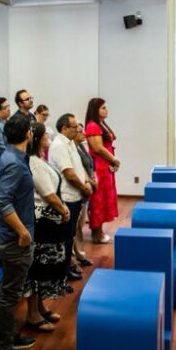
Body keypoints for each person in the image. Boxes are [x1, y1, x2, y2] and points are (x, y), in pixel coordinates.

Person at [0, 113, 37, 350]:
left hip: (16, 237)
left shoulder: (13, 156)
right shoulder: (13, 163)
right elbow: (2, 201)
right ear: (28, 134)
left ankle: (11, 338)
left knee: (14, 291)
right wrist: (22, 231)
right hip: (14, 241)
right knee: (10, 296)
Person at [25, 122, 70, 333]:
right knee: (38, 268)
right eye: (46, 136)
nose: (49, 140)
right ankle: (32, 314)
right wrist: (62, 209)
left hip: (48, 219)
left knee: (43, 269)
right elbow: (48, 194)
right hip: (41, 220)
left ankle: (41, 307)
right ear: (38, 139)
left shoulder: (39, 159)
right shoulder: (33, 162)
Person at [49, 113, 94, 277]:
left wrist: (87, 182)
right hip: (68, 196)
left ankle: (67, 267)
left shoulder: (70, 143)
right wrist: (84, 187)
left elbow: (79, 168)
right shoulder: (59, 145)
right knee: (66, 237)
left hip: (76, 195)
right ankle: (64, 271)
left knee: (71, 234)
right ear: (64, 128)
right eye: (74, 127)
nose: (78, 129)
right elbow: (69, 173)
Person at [85, 98, 119, 243]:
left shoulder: (100, 124)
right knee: (98, 200)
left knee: (104, 198)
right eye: (103, 108)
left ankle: (99, 230)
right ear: (95, 110)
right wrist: (114, 159)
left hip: (106, 167)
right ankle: (96, 232)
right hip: (99, 167)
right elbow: (98, 148)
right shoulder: (92, 126)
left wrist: (112, 161)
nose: (106, 110)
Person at [72, 124, 95, 266]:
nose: (84, 133)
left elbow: (89, 165)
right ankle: (74, 258)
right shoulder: (72, 149)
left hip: (85, 190)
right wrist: (87, 183)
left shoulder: (80, 146)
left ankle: (80, 255)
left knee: (80, 227)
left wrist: (92, 179)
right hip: (79, 190)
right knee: (76, 228)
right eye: (80, 131)